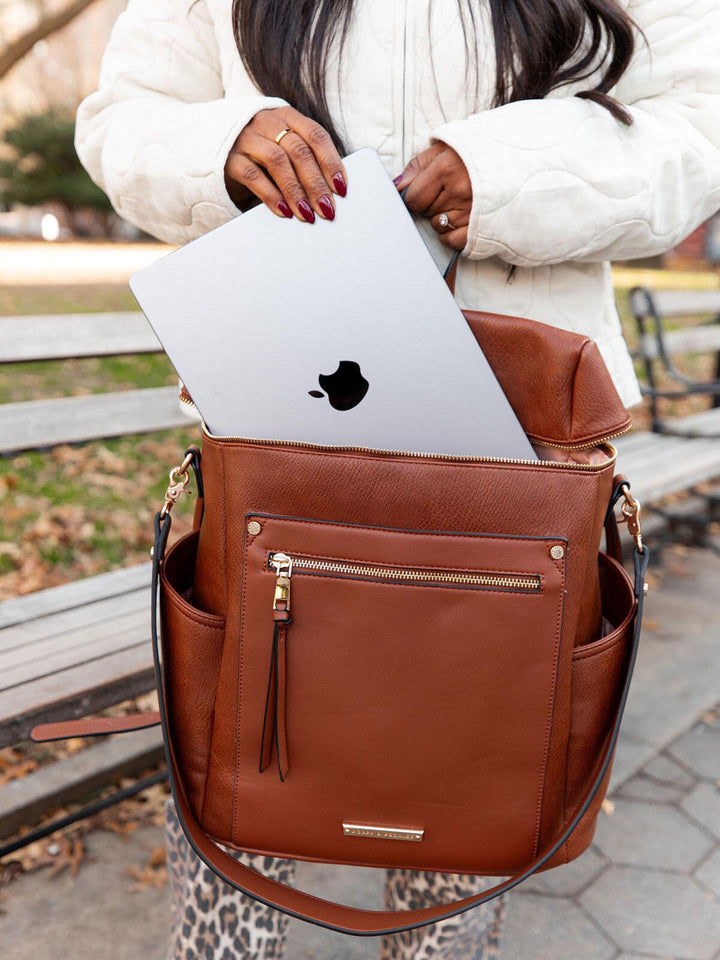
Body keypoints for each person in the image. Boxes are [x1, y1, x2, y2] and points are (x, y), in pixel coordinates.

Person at [75, 1, 720, 957]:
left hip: (523, 444)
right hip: (274, 423)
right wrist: (223, 145)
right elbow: (123, 115)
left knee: (469, 782)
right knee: (242, 771)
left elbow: (699, 125)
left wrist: (503, 176)